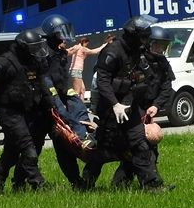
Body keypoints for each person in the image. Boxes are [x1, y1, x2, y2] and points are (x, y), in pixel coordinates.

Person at [81, 15, 173, 192]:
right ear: (134, 36)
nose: (146, 41)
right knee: (103, 151)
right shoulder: (112, 51)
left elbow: (151, 73)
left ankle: (152, 185)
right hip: (111, 110)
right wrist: (114, 104)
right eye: (143, 37)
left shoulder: (137, 50)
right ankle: (85, 185)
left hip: (130, 108)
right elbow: (102, 81)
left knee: (141, 145)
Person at [0, 28, 54, 194]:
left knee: (11, 153)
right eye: (33, 47)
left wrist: (50, 104)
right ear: (23, 47)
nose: (36, 50)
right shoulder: (4, 61)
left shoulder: (33, 61)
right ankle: (38, 184)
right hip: (9, 113)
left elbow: (41, 84)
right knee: (28, 148)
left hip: (27, 111)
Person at [31, 14, 97, 189]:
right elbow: (46, 84)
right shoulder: (43, 55)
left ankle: (75, 181)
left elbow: (62, 82)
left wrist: (71, 99)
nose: (63, 37)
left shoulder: (60, 54)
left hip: (56, 105)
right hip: (42, 109)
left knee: (63, 147)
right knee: (32, 149)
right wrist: (60, 109)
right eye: (60, 33)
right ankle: (20, 182)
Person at [108, 24, 177, 188]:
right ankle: (151, 184)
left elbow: (166, 88)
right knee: (142, 146)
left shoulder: (163, 63)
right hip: (133, 108)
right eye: (158, 45)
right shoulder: (137, 60)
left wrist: (156, 106)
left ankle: (121, 184)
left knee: (145, 147)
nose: (161, 49)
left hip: (149, 109)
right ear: (149, 43)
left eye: (164, 46)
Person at [67, 35, 112, 102]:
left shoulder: (76, 47)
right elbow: (94, 51)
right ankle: (76, 107)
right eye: (86, 44)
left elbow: (68, 50)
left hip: (75, 71)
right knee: (77, 92)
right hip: (76, 71)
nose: (86, 45)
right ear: (84, 42)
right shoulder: (82, 48)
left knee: (82, 90)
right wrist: (105, 45)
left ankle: (82, 106)